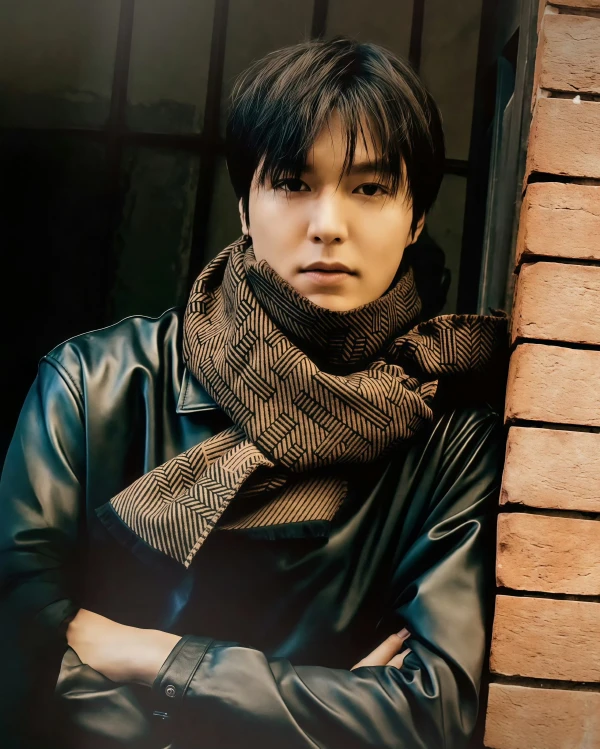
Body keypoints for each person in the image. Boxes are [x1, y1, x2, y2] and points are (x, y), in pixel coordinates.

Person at [0, 36, 508, 749]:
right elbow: (22, 667)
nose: (327, 226)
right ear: (245, 206)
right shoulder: (94, 385)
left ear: (417, 217)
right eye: (294, 183)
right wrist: (323, 711)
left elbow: (431, 715)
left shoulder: (454, 440)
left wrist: (157, 659)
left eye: (369, 189)